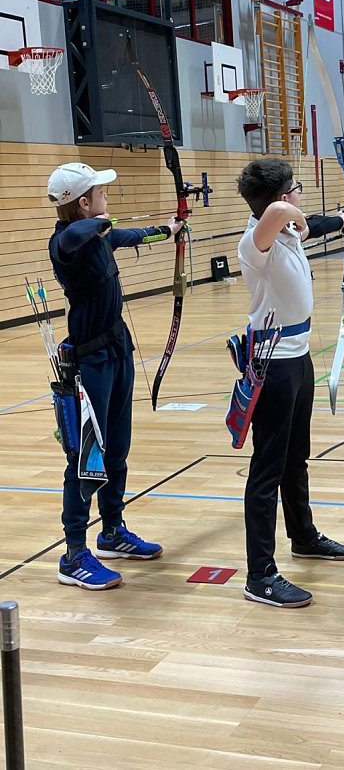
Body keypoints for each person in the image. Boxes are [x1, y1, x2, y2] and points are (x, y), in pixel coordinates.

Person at [48, 162, 183, 590]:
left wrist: (169, 229)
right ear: (84, 203)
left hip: (117, 351)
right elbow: (71, 235)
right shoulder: (65, 242)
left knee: (117, 449)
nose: (108, 200)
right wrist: (98, 223)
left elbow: (130, 235)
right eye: (100, 195)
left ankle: (111, 531)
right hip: (89, 363)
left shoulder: (101, 235)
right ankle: (73, 555)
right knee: (87, 459)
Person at [236, 159, 344, 608]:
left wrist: (340, 220)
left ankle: (303, 535)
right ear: (284, 198)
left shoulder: (285, 231)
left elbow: (306, 222)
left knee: (295, 457)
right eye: (297, 189)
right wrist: (293, 212)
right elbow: (274, 216)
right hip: (274, 363)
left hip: (298, 357)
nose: (301, 196)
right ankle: (259, 574)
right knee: (267, 468)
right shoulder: (255, 242)